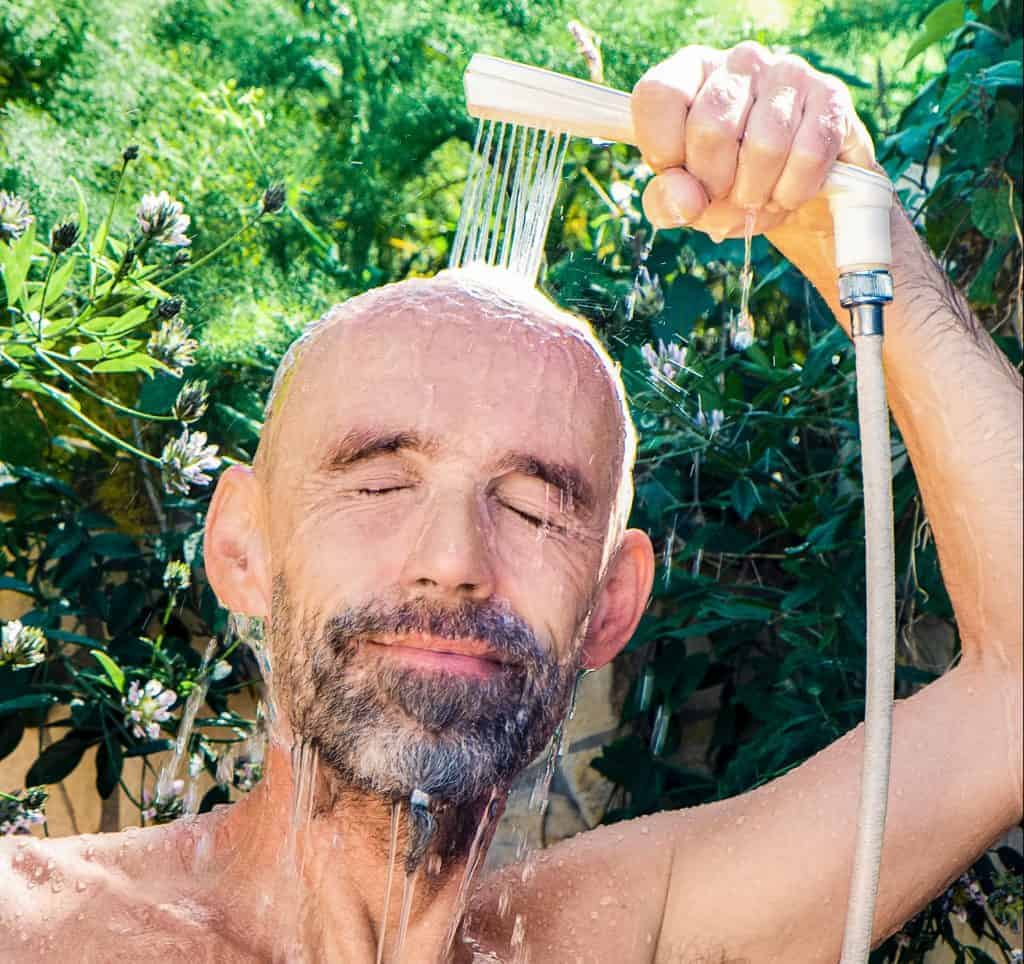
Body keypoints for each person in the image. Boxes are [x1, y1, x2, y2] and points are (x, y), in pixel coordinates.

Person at [2, 41, 1021, 964]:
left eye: (534, 506)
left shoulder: (633, 933)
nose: (452, 557)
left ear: (610, 604)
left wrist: (855, 234)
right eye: (380, 481)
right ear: (242, 549)